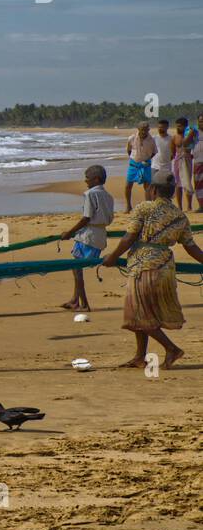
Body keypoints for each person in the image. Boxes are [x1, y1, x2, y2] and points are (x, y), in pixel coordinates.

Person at [101, 171, 203, 370]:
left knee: (140, 314)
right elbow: (191, 247)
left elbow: (129, 238)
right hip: (165, 268)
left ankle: (172, 349)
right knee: (143, 312)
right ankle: (140, 356)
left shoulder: (144, 209)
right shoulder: (179, 216)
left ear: (153, 190)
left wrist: (112, 257)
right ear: (173, 193)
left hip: (144, 267)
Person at [59, 165, 116, 311]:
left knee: (76, 268)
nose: (85, 181)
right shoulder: (109, 196)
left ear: (96, 179)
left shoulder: (90, 194)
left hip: (87, 236)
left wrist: (70, 232)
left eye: (87, 178)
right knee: (76, 267)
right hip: (100, 235)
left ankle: (83, 303)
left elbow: (86, 218)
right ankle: (75, 299)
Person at [125, 121, 157, 212]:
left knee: (147, 186)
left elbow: (154, 152)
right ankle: (128, 206)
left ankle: (148, 206)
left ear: (148, 129)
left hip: (145, 164)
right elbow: (129, 150)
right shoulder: (132, 138)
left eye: (146, 129)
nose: (144, 131)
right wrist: (134, 159)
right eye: (142, 129)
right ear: (138, 129)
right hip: (133, 164)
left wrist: (147, 159)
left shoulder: (151, 140)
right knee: (128, 185)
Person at [171, 117, 198, 210]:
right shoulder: (174, 137)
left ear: (185, 126)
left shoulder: (192, 135)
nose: (178, 128)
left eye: (180, 126)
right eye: (177, 126)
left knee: (187, 182)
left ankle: (189, 206)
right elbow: (173, 152)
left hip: (187, 159)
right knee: (178, 184)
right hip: (178, 161)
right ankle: (180, 206)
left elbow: (189, 145)